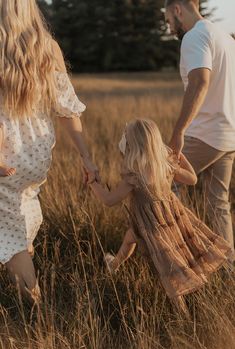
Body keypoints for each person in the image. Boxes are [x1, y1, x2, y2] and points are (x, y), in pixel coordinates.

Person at [0, 0, 97, 303]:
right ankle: (21, 251)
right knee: (22, 209)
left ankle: (33, 306)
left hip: (6, 159)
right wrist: (86, 157)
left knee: (8, 230)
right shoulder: (48, 47)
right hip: (36, 158)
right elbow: (67, 109)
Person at [84, 119, 232, 312]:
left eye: (126, 139)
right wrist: (179, 157)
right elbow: (193, 179)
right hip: (171, 219)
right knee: (130, 238)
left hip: (152, 226)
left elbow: (109, 200)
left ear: (133, 146)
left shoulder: (135, 177)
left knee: (167, 268)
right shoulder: (167, 166)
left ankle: (182, 313)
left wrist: (92, 183)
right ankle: (115, 264)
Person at [164, 0, 235, 261]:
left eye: (169, 20)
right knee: (218, 203)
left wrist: (178, 132)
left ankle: (177, 261)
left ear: (178, 10)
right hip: (228, 135)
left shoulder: (195, 36)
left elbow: (200, 81)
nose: (169, 26)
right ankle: (228, 269)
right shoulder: (226, 37)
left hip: (204, 134)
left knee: (159, 185)